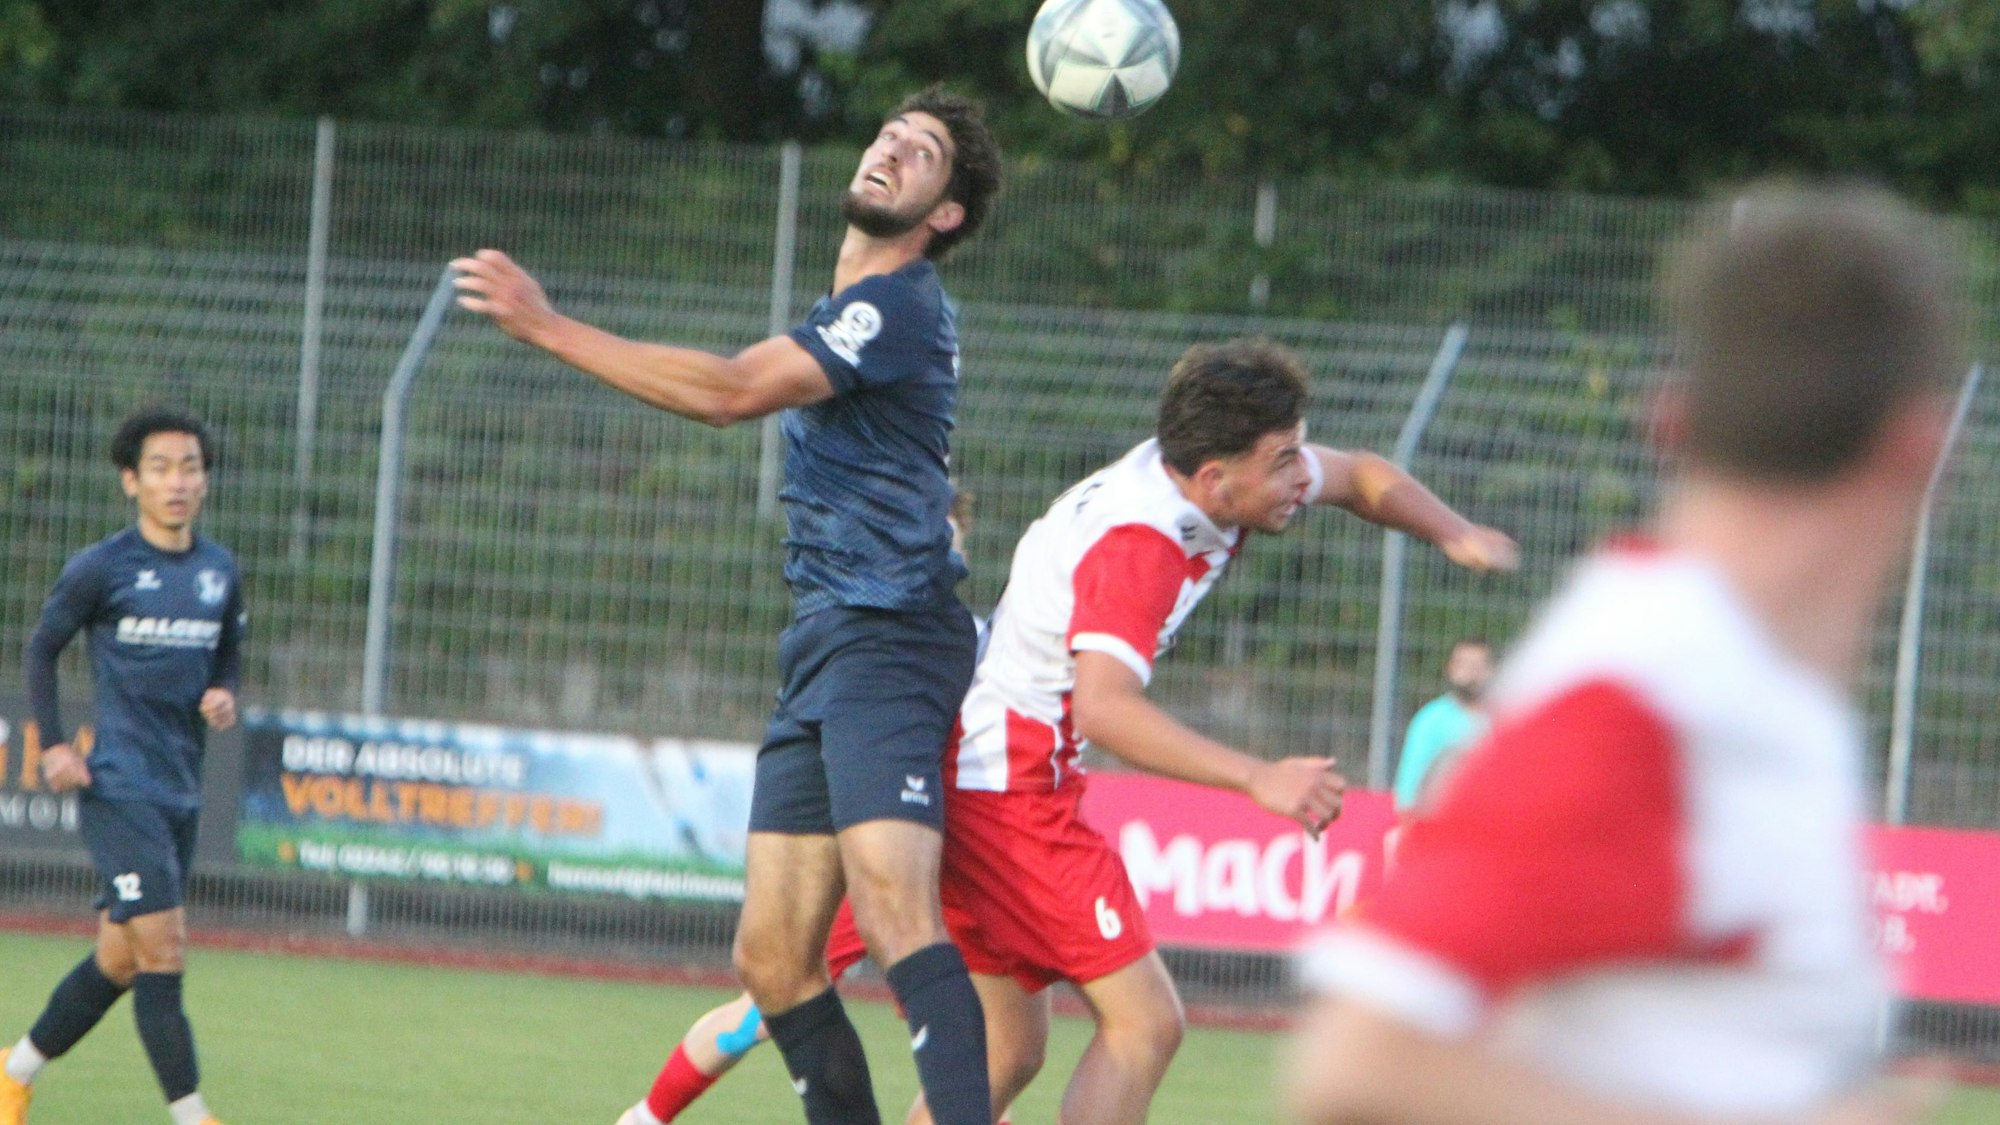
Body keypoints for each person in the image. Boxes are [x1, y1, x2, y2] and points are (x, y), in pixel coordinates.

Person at [1285, 181, 1966, 1125]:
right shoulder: (1644, 693)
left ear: (1669, 422)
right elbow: (1360, 1064)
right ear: (1921, 453)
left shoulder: (1759, 687)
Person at [452, 85, 1005, 1125]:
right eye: (889, 131)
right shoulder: (850, 314)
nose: (890, 146)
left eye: (922, 152)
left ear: (945, 216)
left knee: (894, 907)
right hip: (828, 643)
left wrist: (546, 325)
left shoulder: (898, 304)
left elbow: (724, 391)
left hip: (891, 636)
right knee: (772, 959)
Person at [911, 337, 1516, 1125]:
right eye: (1285, 461)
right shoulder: (1142, 545)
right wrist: (1258, 777)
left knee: (1004, 1050)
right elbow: (1107, 707)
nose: (1304, 477)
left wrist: (1451, 531)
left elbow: (1365, 474)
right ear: (1214, 478)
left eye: (1300, 450)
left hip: (986, 770)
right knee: (1146, 1023)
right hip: (1008, 790)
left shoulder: (1211, 473)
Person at [613, 492, 999, 1125]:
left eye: (956, 537)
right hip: (885, 853)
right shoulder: (881, 639)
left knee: (1005, 1040)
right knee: (765, 996)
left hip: (954, 853)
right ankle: (648, 1115)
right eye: (941, 532)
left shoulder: (972, 641)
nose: (949, 547)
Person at [1, 408, 247, 1125]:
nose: (178, 481)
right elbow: (42, 649)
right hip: (117, 785)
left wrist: (225, 691)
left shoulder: (218, 569)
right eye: (162, 468)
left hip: (180, 786)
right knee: (165, 946)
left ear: (204, 481)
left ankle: (13, 1075)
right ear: (131, 481)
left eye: (191, 467)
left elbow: (229, 649)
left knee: (119, 957)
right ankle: (194, 1115)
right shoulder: (102, 567)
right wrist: (53, 744)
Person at [1389, 637, 1493, 812]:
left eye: (1480, 665)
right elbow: (1408, 794)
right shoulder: (1431, 720)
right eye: (1466, 665)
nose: (1473, 673)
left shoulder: (1507, 719)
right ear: (1451, 668)